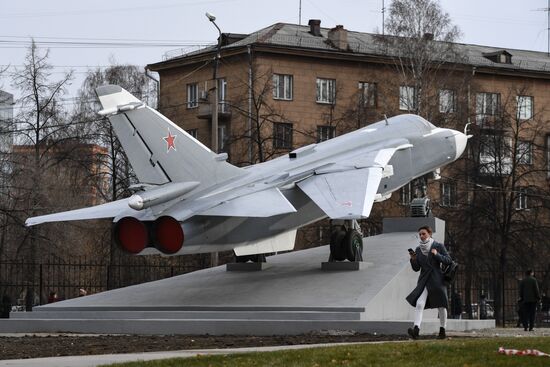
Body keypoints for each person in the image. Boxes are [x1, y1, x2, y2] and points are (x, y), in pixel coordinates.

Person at [406, 225, 452, 340]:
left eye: (423, 234)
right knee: (420, 303)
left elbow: (448, 260)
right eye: (420, 234)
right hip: (424, 280)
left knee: (441, 306)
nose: (421, 236)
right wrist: (413, 259)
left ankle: (442, 330)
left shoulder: (438, 246)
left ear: (429, 234)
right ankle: (416, 330)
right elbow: (416, 268)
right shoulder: (417, 249)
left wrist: (437, 254)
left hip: (437, 279)